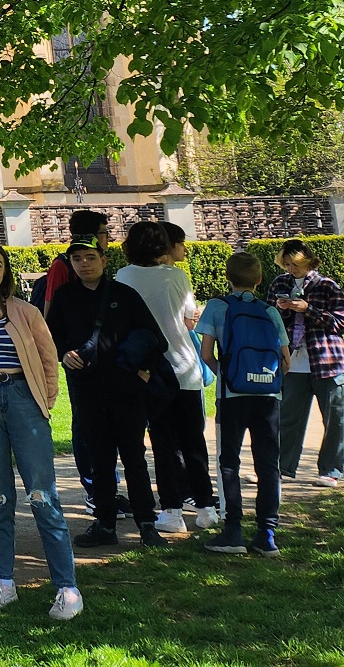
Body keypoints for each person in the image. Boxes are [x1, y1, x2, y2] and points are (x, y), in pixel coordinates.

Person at [0, 240, 82, 621]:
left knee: (42, 496)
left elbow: (48, 359)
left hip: (24, 400)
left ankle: (67, 587)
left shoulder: (25, 312)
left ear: (5, 271)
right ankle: (4, 583)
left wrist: (45, 401)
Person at [44, 242, 163, 547]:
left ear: (104, 260)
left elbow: (152, 337)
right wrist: (64, 354)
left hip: (127, 389)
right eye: (77, 258)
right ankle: (105, 523)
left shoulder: (125, 295)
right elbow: (50, 336)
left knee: (134, 457)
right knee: (100, 458)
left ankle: (147, 524)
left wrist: (144, 372)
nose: (84, 263)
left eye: (90, 257)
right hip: (88, 389)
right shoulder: (65, 296)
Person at [115, 220, 217, 533]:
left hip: (149, 370)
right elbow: (189, 320)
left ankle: (172, 510)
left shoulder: (123, 277)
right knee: (193, 441)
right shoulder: (177, 276)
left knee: (163, 442)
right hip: (184, 365)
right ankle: (206, 506)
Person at [198, 251, 288, 556]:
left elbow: (206, 353)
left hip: (232, 397)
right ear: (260, 279)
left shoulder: (217, 306)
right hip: (268, 398)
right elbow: (285, 360)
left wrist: (227, 375)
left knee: (229, 462)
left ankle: (233, 531)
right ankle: (267, 534)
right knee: (268, 464)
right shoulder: (270, 311)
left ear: (227, 277)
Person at [30, 210, 113, 517]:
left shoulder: (96, 266)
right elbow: (49, 312)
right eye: (104, 232)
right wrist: (59, 351)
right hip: (76, 357)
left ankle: (108, 489)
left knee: (106, 423)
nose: (107, 238)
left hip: (103, 356)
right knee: (84, 423)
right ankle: (93, 490)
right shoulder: (62, 266)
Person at [268, 239, 344, 486]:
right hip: (293, 363)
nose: (291, 269)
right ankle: (281, 468)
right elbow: (271, 322)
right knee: (288, 419)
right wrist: (282, 309)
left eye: (295, 264)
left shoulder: (327, 286)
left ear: (307, 261)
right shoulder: (279, 284)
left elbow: (342, 323)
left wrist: (308, 309)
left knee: (334, 419)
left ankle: (331, 471)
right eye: (286, 264)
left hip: (328, 361)